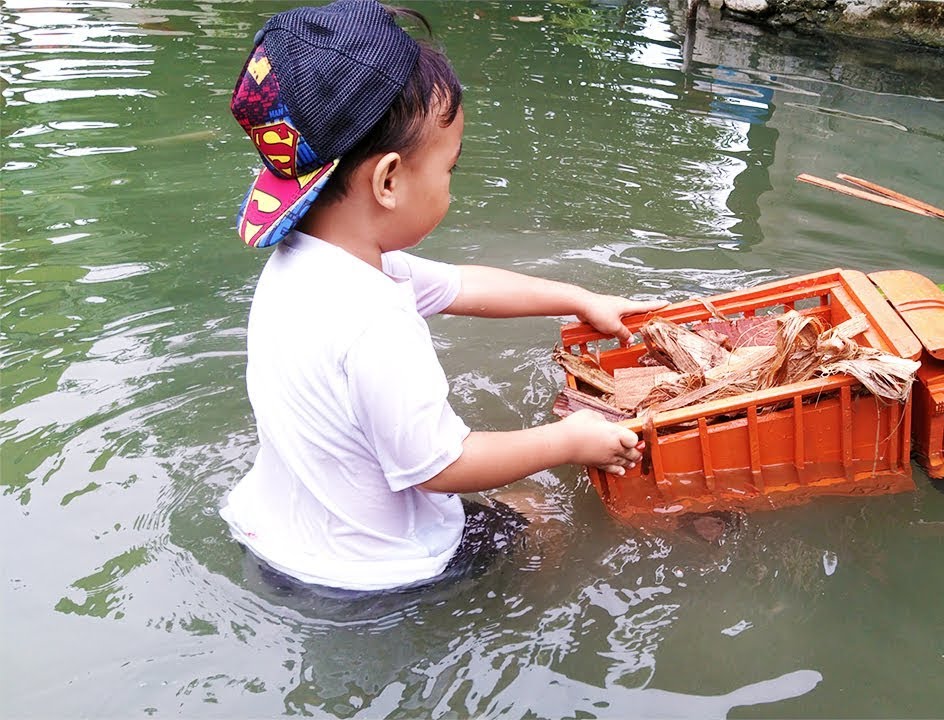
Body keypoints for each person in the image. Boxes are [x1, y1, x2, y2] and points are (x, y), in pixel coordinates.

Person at [219, 0, 664, 595]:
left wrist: (578, 297)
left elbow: (462, 285)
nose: (451, 185)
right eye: (449, 169)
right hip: (374, 576)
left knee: (513, 494)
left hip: (278, 538)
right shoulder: (375, 322)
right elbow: (440, 468)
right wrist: (569, 440)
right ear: (388, 180)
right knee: (547, 519)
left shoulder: (308, 264)